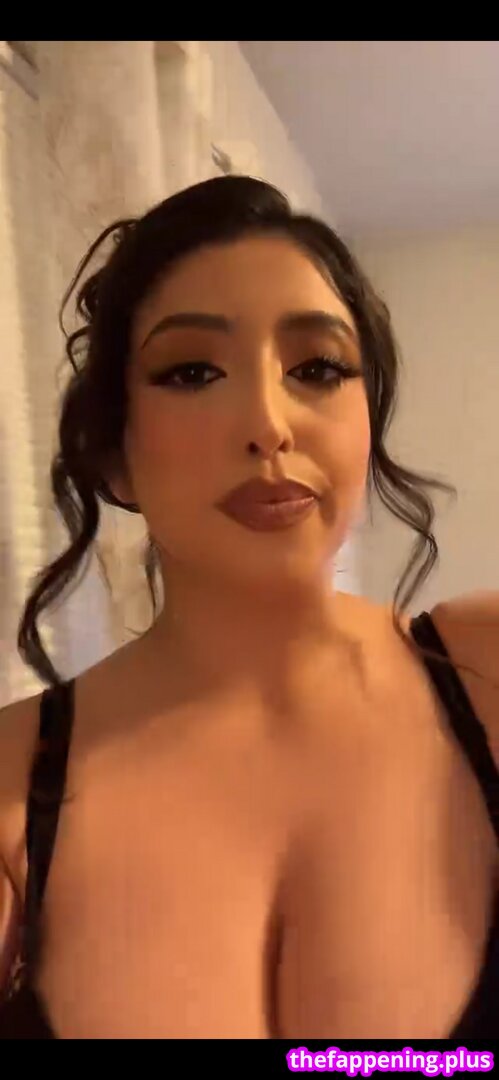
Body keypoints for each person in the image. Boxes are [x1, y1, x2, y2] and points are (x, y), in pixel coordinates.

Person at [0, 176, 497, 1040]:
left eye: (317, 369)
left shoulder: (485, 670)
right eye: (192, 372)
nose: (269, 423)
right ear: (113, 453)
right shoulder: (13, 775)